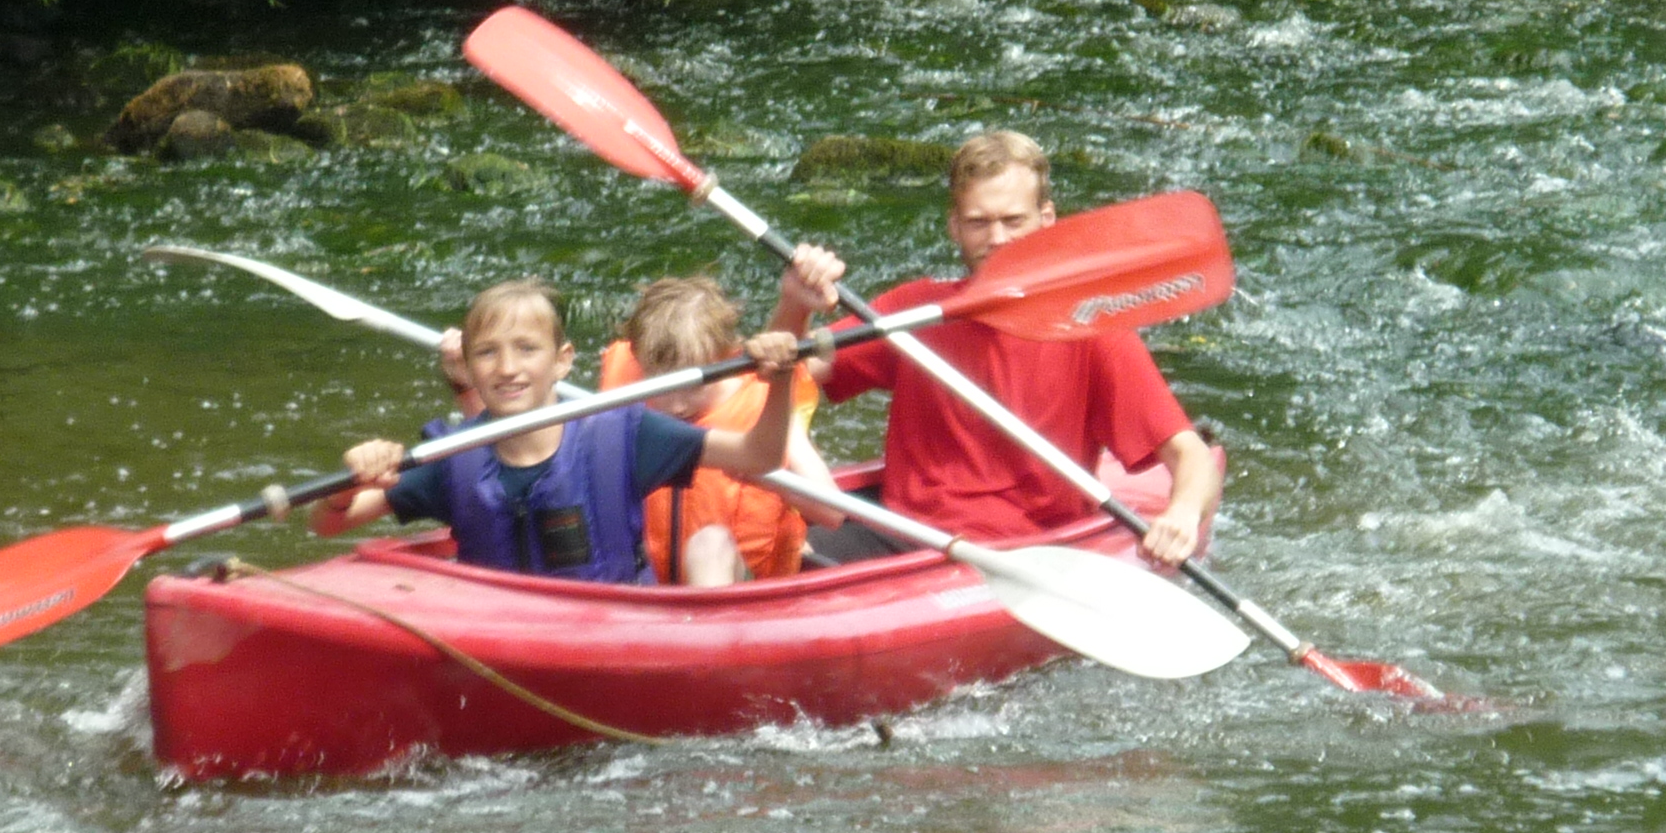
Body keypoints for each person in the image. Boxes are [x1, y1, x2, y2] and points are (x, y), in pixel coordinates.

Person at [775, 130, 1221, 568]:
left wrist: (1182, 513)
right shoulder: (913, 311)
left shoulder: (1090, 330)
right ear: (954, 226)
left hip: (1019, 554)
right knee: (777, 554)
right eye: (978, 222)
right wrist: (795, 305)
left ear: (1046, 221)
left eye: (1014, 221)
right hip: (905, 536)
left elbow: (1190, 454)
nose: (997, 239)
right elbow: (781, 374)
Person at [310, 278, 803, 584]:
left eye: (527, 349)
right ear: (468, 366)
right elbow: (330, 522)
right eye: (487, 353)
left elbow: (756, 455)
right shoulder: (452, 455)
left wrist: (780, 380)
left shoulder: (624, 435)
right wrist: (353, 479)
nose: (507, 368)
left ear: (562, 361)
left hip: (617, 636)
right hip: (506, 641)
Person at [597, 276, 844, 586]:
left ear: (726, 358)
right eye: (663, 386)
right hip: (647, 582)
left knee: (710, 544)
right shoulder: (626, 394)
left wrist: (764, 475)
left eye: (692, 387)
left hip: (742, 586)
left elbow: (831, 511)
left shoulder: (759, 404)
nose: (676, 407)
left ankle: (705, 630)